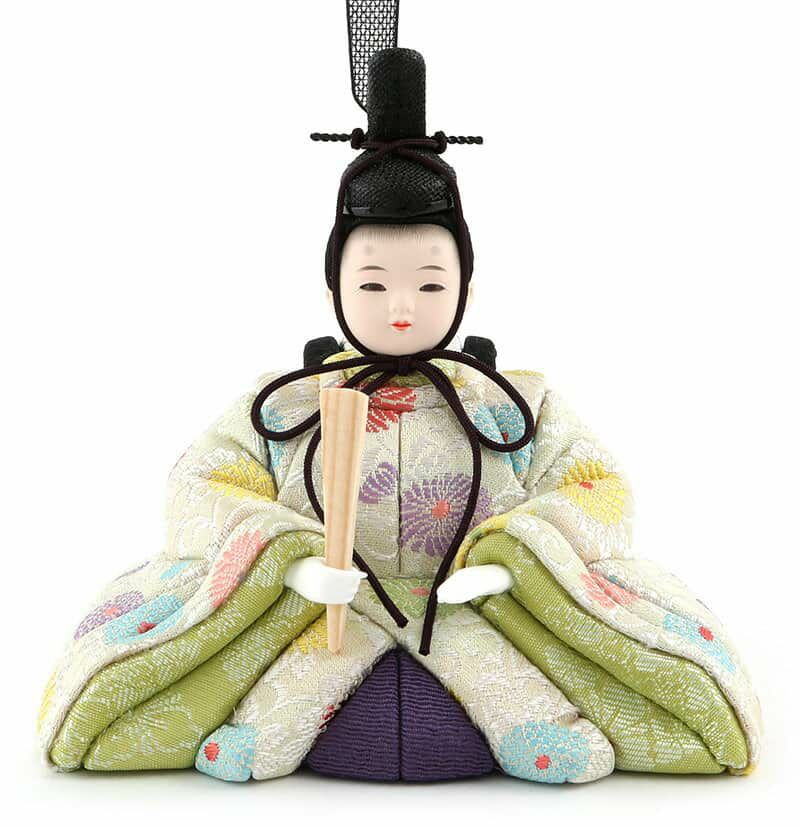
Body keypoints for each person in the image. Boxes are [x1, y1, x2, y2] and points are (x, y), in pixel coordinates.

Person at [39, 42, 761, 786]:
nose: (404, 307)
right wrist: (286, 561)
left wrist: (512, 562)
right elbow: (201, 484)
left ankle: (539, 729)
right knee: (287, 686)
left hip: (475, 605)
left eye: (431, 284)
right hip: (321, 605)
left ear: (467, 289)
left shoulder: (514, 402)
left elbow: (597, 488)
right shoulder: (286, 401)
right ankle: (263, 730)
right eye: (374, 285)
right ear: (334, 290)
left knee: (506, 677)